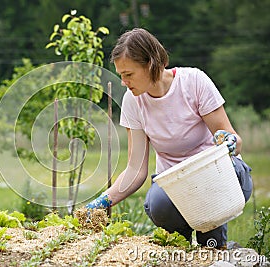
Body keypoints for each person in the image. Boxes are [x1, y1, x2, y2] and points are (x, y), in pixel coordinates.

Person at [85, 28, 253, 248]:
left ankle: (213, 247)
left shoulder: (193, 82)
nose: (124, 82)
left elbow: (234, 141)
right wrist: (103, 201)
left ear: (151, 64)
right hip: (175, 185)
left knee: (210, 243)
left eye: (129, 74)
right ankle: (182, 248)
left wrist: (228, 142)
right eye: (120, 75)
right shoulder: (132, 101)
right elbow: (136, 170)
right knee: (157, 204)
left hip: (216, 176)